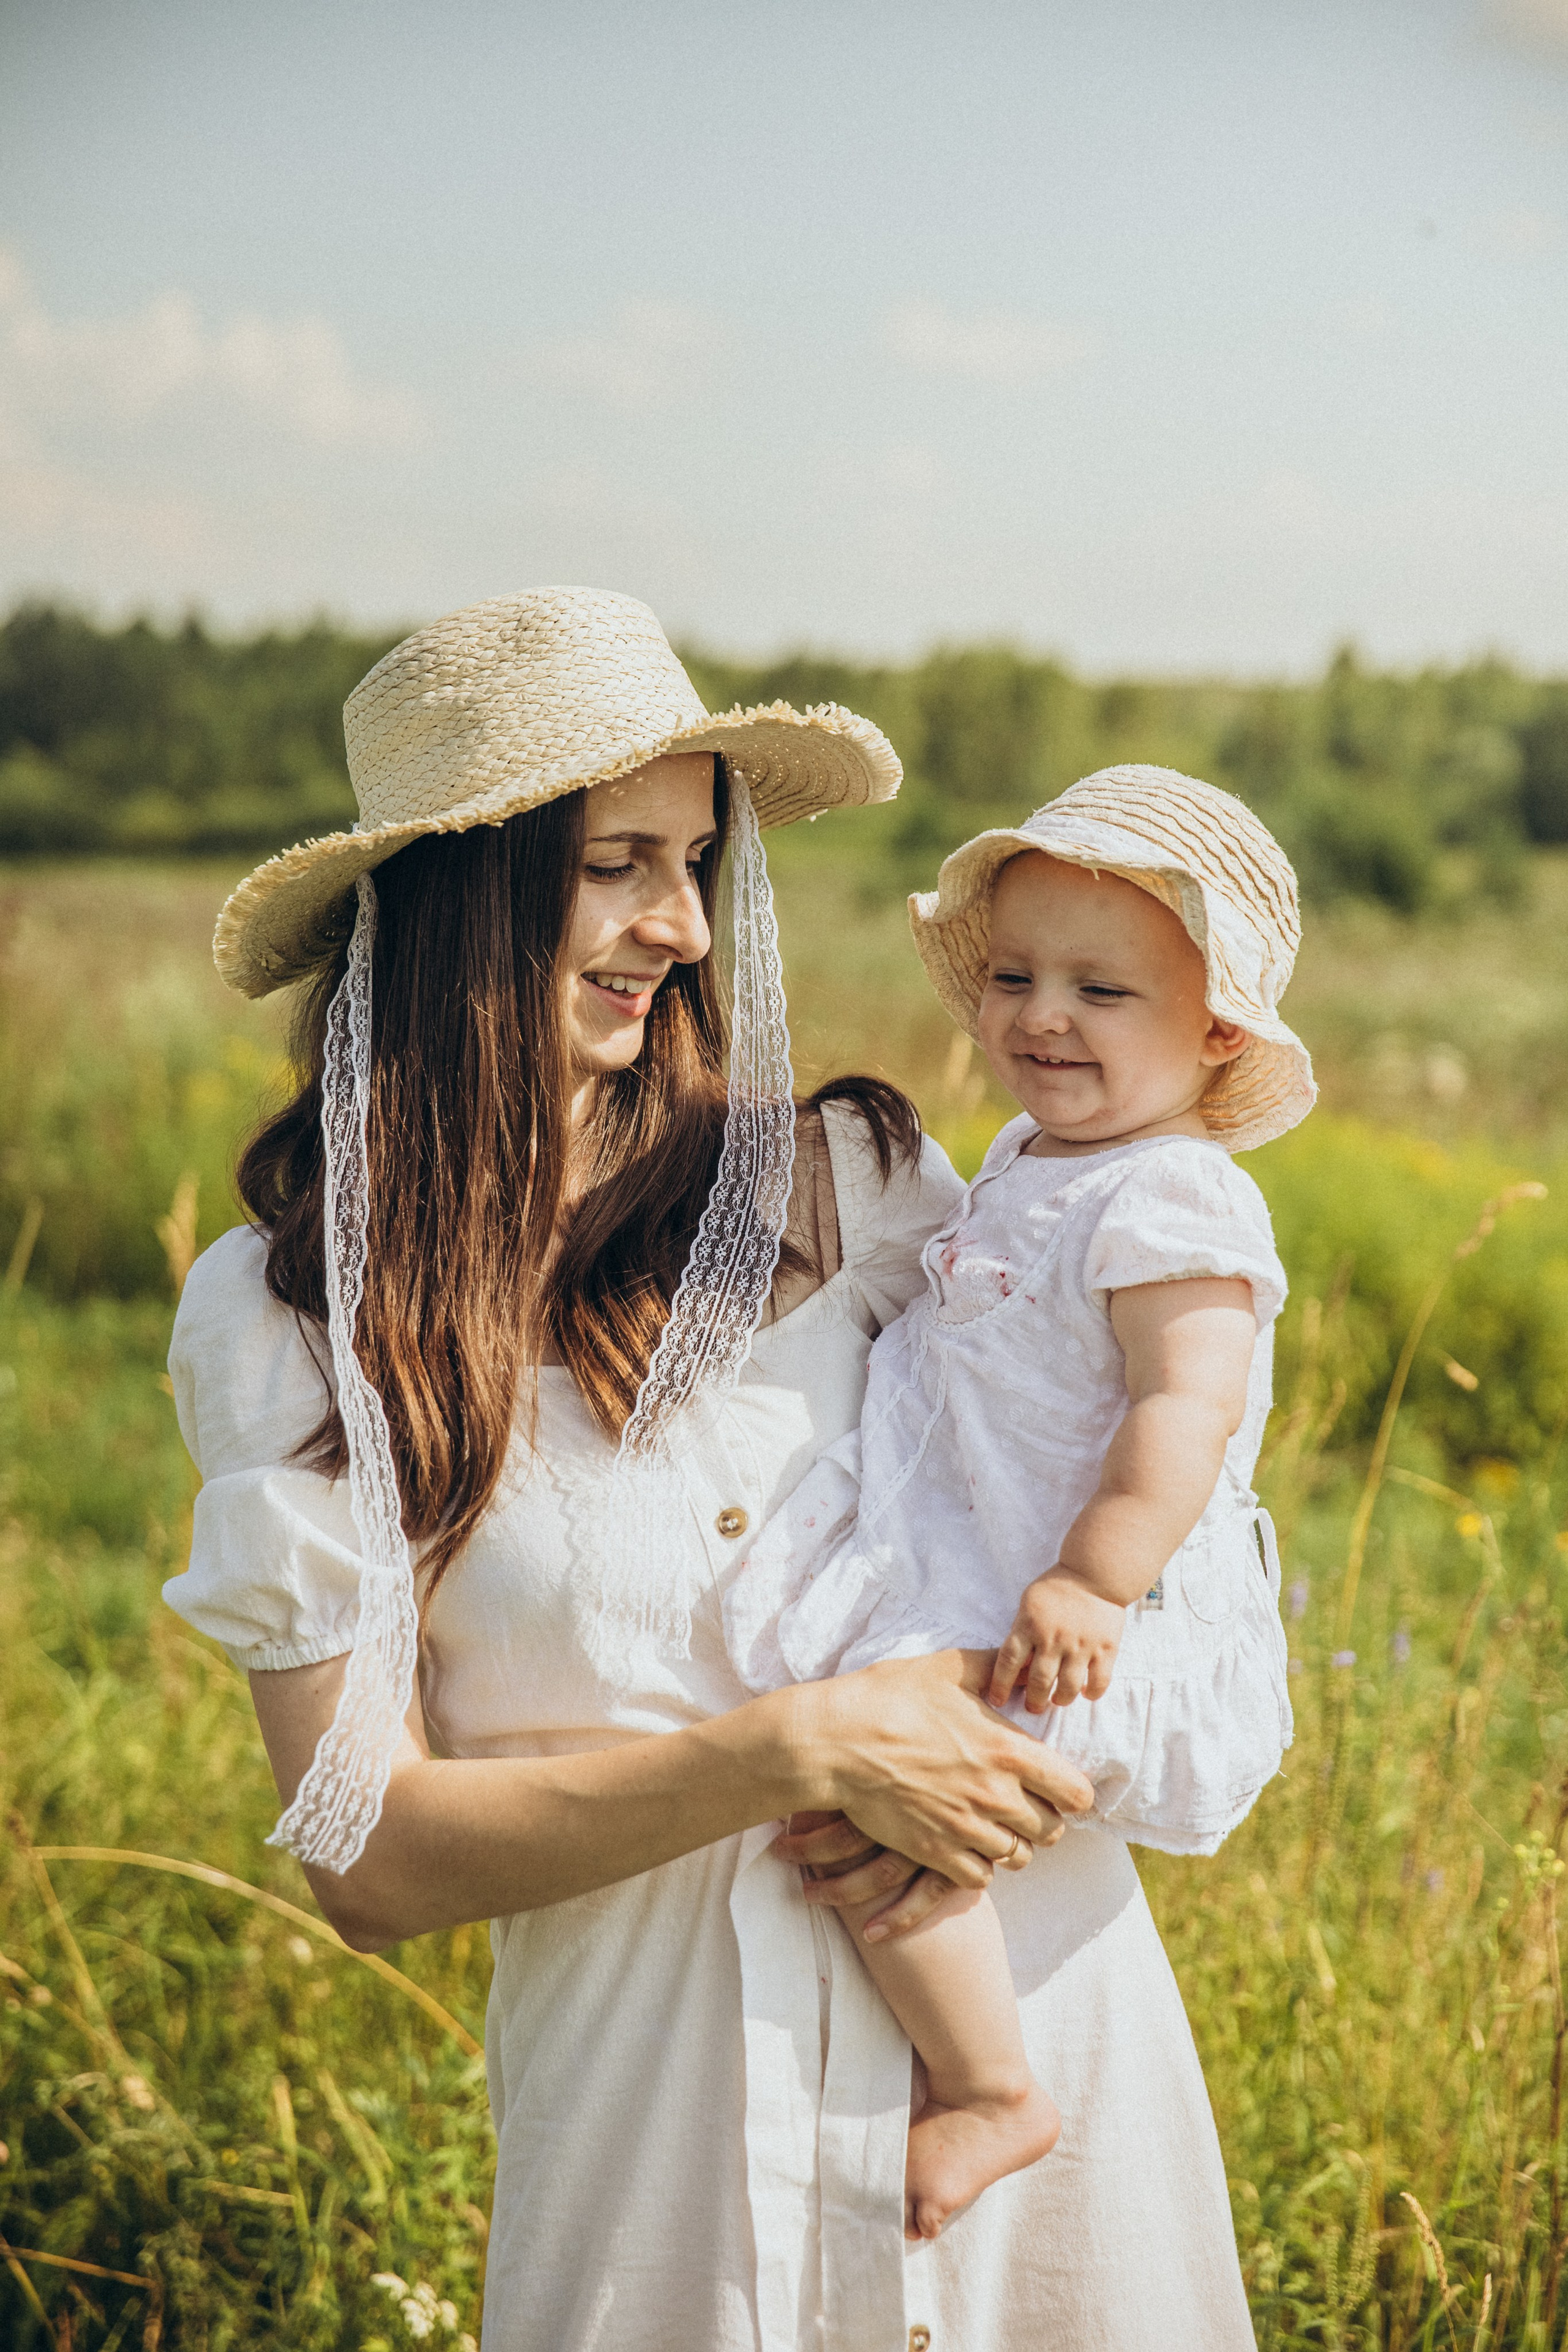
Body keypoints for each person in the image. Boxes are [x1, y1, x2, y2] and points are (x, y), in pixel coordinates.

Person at [163, 594, 1261, 2352]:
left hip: (1038, 2061)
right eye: (617, 865)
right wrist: (791, 1752)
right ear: (462, 895)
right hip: (660, 2172)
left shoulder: (853, 1187)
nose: (678, 925)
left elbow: (1156, 1436)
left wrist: (1076, 1667)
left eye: (694, 862)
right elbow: (365, 1861)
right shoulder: (292, 1314)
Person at [728, 767, 1314, 2248]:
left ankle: (990, 2086)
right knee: (856, 1771)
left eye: (1099, 991)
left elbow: (1184, 1408)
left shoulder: (1174, 1195)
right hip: (969, 1553)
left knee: (886, 1807)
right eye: (1012, 978)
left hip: (1052, 1601)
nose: (1041, 1017)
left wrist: (1092, 1582)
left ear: (1216, 1031)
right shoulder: (1022, 1157)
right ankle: (950, 2064)